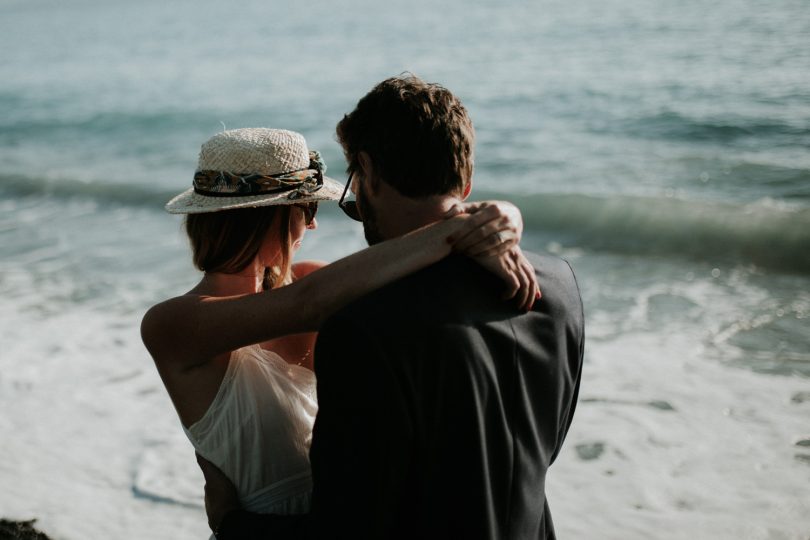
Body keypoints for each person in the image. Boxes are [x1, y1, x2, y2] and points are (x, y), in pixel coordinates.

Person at [202, 76, 585, 539]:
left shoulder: (363, 325)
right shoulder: (560, 287)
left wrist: (232, 523)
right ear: (465, 182)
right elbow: (541, 451)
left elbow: (345, 529)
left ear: (369, 171)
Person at [141, 128, 537, 522]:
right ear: (265, 218)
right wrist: (460, 230)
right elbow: (308, 303)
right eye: (307, 209)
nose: (311, 227)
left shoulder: (313, 280)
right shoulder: (172, 323)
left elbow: (406, 282)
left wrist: (503, 220)